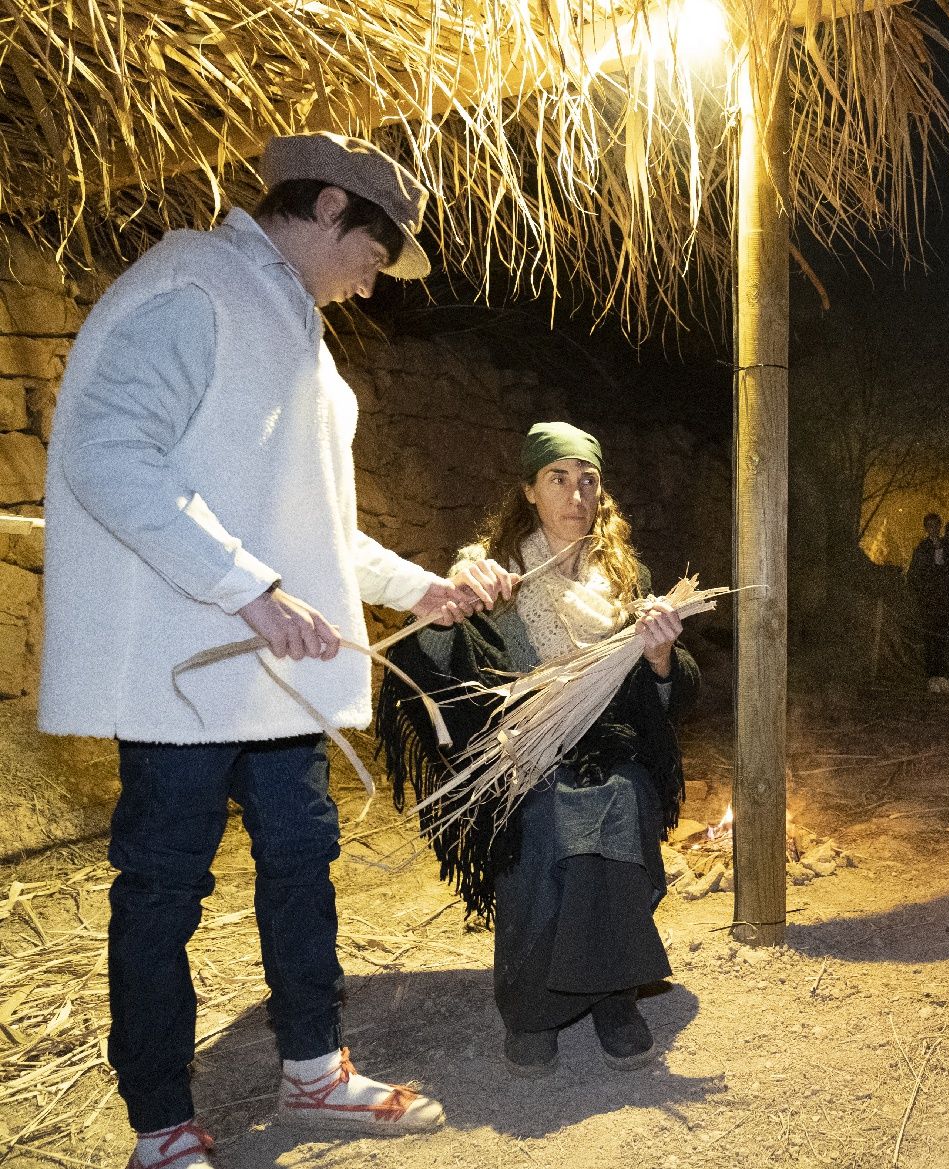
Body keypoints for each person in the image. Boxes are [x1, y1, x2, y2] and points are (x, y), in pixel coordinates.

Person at [38, 132, 497, 1168]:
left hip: (274, 676)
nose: (379, 278)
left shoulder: (291, 322)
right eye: (378, 250)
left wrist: (413, 584)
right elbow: (109, 453)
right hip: (186, 673)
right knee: (163, 884)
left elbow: (311, 527)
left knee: (302, 862)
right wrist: (247, 588)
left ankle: (313, 1070)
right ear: (331, 204)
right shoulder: (191, 282)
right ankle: (162, 1126)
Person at [382, 423, 695, 1074]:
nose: (575, 493)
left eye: (588, 480)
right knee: (550, 815)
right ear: (529, 489)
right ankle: (532, 1007)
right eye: (559, 478)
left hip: (608, 751)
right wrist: (450, 602)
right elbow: (436, 661)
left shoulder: (624, 579)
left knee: (622, 794)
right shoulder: (498, 578)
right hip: (523, 756)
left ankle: (612, 997)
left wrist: (660, 657)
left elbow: (660, 699)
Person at [907, 513, 949, 686]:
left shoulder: (948, 547)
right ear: (926, 528)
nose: (933, 528)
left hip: (944, 601)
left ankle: (943, 676)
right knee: (930, 639)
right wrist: (922, 593)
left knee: (944, 639)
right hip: (928, 602)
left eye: (936, 525)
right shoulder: (922, 549)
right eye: (930, 525)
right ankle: (931, 677)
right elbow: (915, 575)